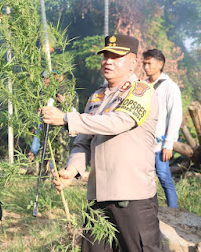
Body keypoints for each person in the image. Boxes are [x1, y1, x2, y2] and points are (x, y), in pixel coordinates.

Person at [42, 34, 164, 251]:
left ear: (133, 62)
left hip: (132, 199)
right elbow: (82, 142)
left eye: (116, 56)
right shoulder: (96, 97)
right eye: (105, 56)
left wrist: (67, 118)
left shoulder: (142, 92)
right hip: (98, 199)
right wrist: (73, 169)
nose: (108, 61)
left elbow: (116, 123)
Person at [143, 49, 182, 208]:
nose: (146, 67)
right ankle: (149, 209)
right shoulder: (143, 85)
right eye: (144, 63)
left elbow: (175, 116)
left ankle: (173, 212)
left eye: (149, 63)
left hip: (160, 142)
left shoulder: (169, 87)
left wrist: (169, 144)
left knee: (164, 176)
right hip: (143, 141)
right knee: (144, 177)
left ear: (160, 64)